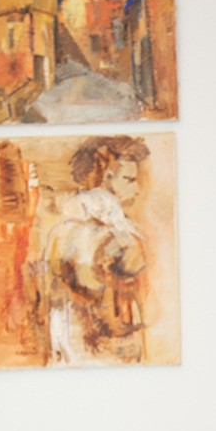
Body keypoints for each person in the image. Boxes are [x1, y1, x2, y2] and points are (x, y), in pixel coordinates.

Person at [41, 136, 152, 365]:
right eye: (129, 179)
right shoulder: (111, 234)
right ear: (106, 178)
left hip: (68, 350)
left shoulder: (61, 229)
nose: (137, 188)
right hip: (100, 355)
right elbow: (130, 263)